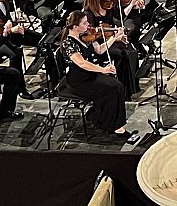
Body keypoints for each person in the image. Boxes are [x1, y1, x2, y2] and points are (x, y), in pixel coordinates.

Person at [56, 11, 138, 141]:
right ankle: (114, 125)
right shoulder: (68, 44)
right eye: (84, 23)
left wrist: (114, 38)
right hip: (79, 81)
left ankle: (104, 119)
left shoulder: (85, 37)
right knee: (113, 87)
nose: (88, 25)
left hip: (89, 75)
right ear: (75, 26)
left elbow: (99, 50)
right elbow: (82, 63)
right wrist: (103, 70)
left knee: (116, 86)